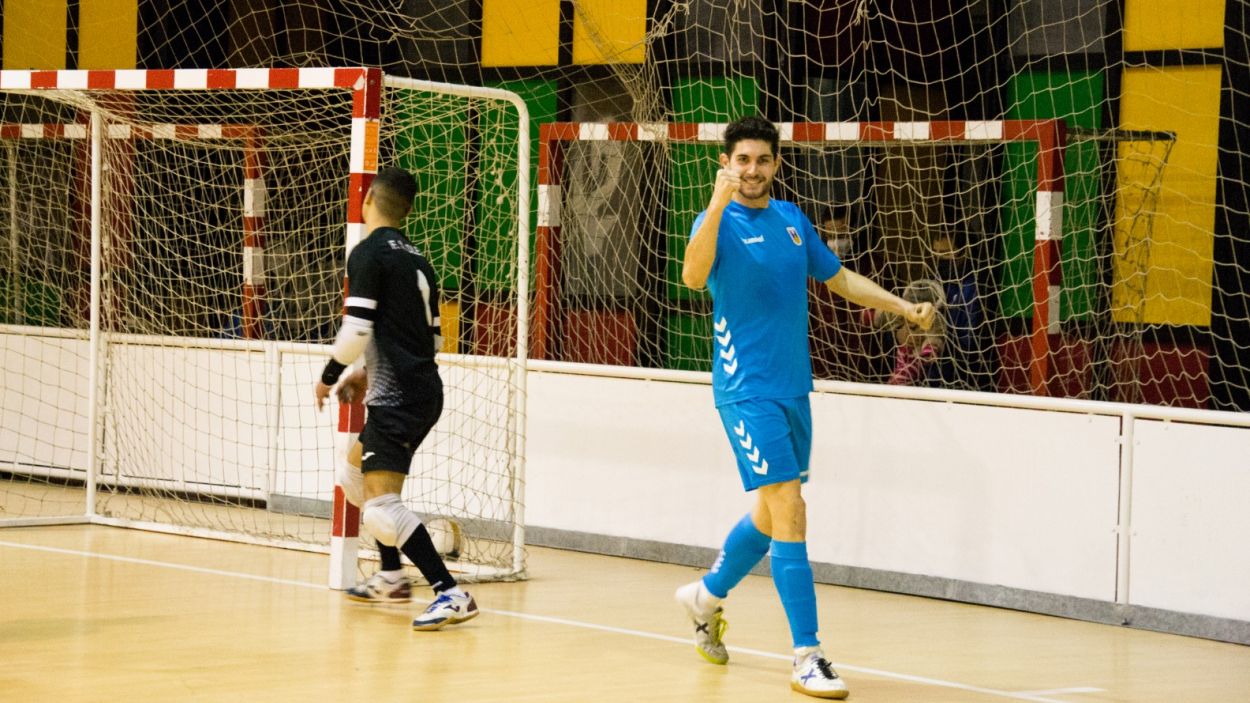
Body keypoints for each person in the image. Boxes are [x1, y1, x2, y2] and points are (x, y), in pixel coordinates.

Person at [676, 116, 934, 699]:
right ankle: (807, 654)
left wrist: (902, 306)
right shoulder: (714, 222)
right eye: (741, 160)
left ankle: (705, 597)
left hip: (795, 389)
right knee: (791, 506)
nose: (752, 170)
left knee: (772, 516)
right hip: (746, 390)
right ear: (726, 165)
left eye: (762, 160)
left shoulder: (793, 221)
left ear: (776, 165)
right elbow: (693, 277)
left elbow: (839, 278)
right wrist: (715, 208)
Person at [314, 166, 478, 631]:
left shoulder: (367, 254)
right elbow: (432, 340)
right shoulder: (418, 260)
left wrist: (330, 375)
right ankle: (390, 575)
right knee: (351, 473)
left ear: (367, 199)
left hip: (400, 398)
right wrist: (368, 371)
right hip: (420, 387)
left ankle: (451, 593)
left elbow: (357, 328)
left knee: (383, 507)